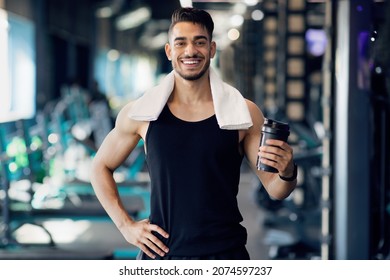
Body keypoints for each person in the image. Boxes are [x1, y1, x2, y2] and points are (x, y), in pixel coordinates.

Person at [90, 7, 297, 260]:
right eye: (181, 43)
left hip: (225, 256)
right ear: (169, 51)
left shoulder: (243, 113)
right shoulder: (141, 114)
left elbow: (276, 190)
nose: (190, 51)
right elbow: (99, 167)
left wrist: (287, 172)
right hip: (162, 257)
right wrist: (126, 226)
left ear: (211, 49)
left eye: (200, 42)